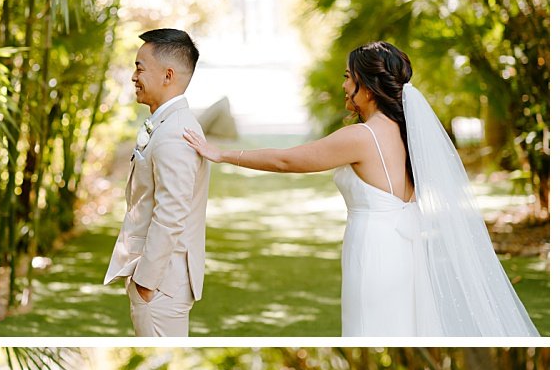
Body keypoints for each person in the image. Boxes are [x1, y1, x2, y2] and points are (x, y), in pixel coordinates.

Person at [182, 40, 538, 337]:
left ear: (367, 87)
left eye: (348, 78)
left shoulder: (362, 137)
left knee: (371, 328)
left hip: (375, 251)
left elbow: (288, 161)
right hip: (404, 248)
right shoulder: (408, 132)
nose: (343, 86)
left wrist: (221, 153)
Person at [104, 28, 209, 337]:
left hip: (162, 283)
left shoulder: (174, 133)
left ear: (167, 75)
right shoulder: (169, 125)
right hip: (163, 280)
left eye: (139, 67)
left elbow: (171, 214)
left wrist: (145, 282)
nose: (134, 76)